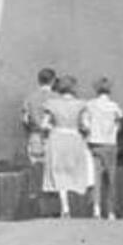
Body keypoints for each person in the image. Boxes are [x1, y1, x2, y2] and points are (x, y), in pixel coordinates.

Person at [39, 76, 96, 222]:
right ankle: (79, 205)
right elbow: (86, 125)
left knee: (59, 172)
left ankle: (65, 207)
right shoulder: (81, 104)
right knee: (74, 170)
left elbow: (44, 124)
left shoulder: (51, 104)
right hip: (74, 138)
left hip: (57, 138)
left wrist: (52, 127)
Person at [77, 75, 123, 218]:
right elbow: (119, 124)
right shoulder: (115, 107)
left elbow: (85, 125)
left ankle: (96, 208)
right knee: (111, 179)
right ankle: (111, 211)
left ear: (96, 90)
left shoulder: (90, 105)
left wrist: (89, 132)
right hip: (110, 144)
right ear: (110, 91)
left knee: (96, 177)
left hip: (94, 144)